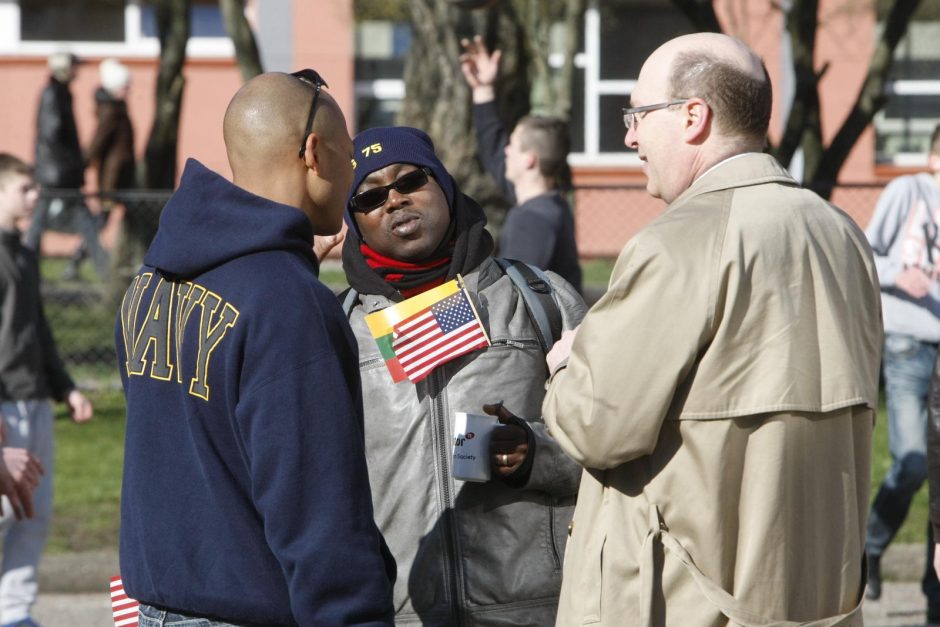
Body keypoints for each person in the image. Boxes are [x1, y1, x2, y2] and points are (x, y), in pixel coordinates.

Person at [539, 33, 882, 625]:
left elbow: (597, 426)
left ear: (693, 116)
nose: (629, 136)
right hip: (816, 598)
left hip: (688, 603)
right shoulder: (843, 234)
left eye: (638, 115)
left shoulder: (679, 241)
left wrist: (570, 362)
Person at [115, 71, 395, 626]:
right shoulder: (288, 305)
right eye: (348, 154)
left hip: (155, 607)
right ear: (314, 154)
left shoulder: (154, 279)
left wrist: (290, 269)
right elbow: (319, 515)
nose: (352, 173)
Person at [341, 126, 585, 625]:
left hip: (535, 610)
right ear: (355, 220)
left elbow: (618, 444)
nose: (394, 201)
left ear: (446, 187)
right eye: (370, 196)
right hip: (398, 615)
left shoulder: (542, 301)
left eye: (410, 179)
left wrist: (534, 453)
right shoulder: (335, 330)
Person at [0, 152, 92, 627]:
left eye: (36, 188)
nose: (35, 196)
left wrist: (66, 389)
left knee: (32, 509)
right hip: (3, 406)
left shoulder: (25, 253)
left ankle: (14, 611)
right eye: (24, 189)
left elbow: (39, 331)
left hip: (34, 400)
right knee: (3, 510)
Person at [873, 123, 940, 615]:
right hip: (906, 344)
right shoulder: (908, 190)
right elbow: (863, 252)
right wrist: (899, 273)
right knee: (913, 459)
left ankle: (934, 589)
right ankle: (871, 548)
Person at [458, 36, 583, 294]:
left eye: (512, 144)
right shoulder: (548, 204)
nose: (505, 150)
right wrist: (483, 90)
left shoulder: (532, 219)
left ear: (529, 160)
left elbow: (514, 296)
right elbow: (493, 148)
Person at [29, 51, 108, 281]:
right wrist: (73, 163)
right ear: (64, 68)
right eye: (74, 66)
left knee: (48, 222)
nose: (77, 71)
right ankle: (104, 272)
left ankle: (31, 267)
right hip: (58, 175)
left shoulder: (60, 93)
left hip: (60, 173)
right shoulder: (53, 94)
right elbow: (52, 133)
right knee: (42, 222)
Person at [86, 58, 136, 217]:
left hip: (120, 170)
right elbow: (99, 141)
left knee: (110, 214)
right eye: (125, 87)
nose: (128, 90)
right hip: (113, 173)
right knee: (104, 214)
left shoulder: (118, 108)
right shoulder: (111, 111)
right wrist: (83, 162)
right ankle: (90, 243)